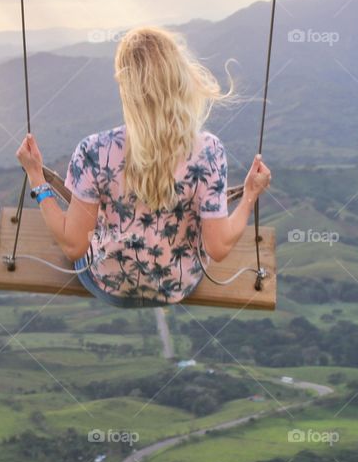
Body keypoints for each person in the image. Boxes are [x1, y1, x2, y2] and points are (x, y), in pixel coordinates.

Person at [15, 26, 271, 308]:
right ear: (178, 78)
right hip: (177, 286)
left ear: (126, 85)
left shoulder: (93, 150)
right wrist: (249, 196)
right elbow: (218, 248)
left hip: (107, 285)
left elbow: (73, 245)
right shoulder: (208, 152)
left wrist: (36, 175)